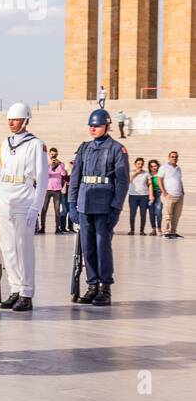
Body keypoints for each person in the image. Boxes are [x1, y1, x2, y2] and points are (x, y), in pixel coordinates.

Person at [0, 102, 49, 312]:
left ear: (25, 120)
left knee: (23, 248)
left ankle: (26, 292)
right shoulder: (5, 143)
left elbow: (42, 178)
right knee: (7, 247)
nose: (11, 123)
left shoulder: (36, 144)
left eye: (15, 120)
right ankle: (14, 287)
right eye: (9, 120)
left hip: (24, 196)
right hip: (5, 196)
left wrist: (36, 206)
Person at [67, 109, 129, 304]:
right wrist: (71, 203)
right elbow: (75, 178)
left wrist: (116, 208)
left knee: (103, 247)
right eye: (91, 126)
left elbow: (122, 182)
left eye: (97, 126)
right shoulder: (84, 148)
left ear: (107, 126)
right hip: (85, 204)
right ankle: (92, 285)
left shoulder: (117, 149)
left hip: (104, 206)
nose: (93, 129)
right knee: (87, 247)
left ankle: (105, 288)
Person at [40, 148, 69, 234]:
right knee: (44, 209)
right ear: (49, 154)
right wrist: (49, 165)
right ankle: (42, 228)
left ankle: (57, 228)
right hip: (47, 189)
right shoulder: (45, 164)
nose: (53, 156)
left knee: (57, 210)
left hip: (57, 190)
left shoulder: (61, 164)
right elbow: (43, 173)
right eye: (52, 154)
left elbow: (64, 174)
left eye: (55, 154)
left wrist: (59, 164)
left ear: (57, 154)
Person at [159, 151, 184, 238]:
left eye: (176, 157)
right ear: (169, 157)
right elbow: (160, 180)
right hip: (169, 195)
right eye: (172, 156)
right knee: (167, 215)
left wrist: (182, 191)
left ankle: (173, 231)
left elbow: (179, 180)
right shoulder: (164, 167)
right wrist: (164, 192)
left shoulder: (178, 168)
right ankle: (165, 231)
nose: (174, 158)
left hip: (179, 195)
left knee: (176, 215)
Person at [128, 157, 151, 235]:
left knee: (143, 214)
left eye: (141, 164)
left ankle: (142, 231)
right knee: (132, 214)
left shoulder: (146, 173)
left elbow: (150, 184)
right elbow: (128, 180)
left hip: (144, 196)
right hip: (133, 195)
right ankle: (132, 230)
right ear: (135, 164)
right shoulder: (130, 172)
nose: (140, 165)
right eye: (138, 164)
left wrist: (151, 195)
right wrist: (136, 173)